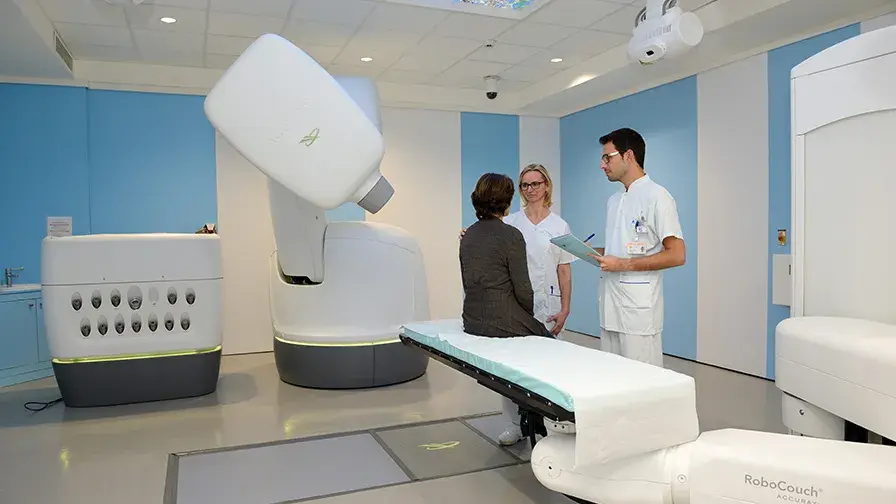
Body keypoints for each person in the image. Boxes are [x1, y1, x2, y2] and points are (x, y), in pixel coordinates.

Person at [587, 127, 686, 368]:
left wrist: (622, 264)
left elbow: (677, 254)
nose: (602, 165)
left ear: (628, 156)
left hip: (638, 312)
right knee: (612, 376)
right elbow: (619, 250)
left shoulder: (658, 197)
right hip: (610, 308)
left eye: (607, 157)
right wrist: (588, 252)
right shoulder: (614, 201)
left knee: (641, 380)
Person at [459, 173, 550, 340]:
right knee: (547, 338)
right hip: (502, 321)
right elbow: (523, 291)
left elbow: (468, 284)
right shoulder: (512, 235)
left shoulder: (467, 234)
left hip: (472, 320)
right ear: (506, 202)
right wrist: (527, 317)